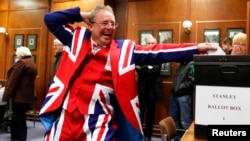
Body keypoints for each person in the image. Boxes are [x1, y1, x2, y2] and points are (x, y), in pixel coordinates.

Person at [39, 5, 217, 141]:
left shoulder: (123, 50)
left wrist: (196, 48)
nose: (110, 27)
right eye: (104, 23)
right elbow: (50, 19)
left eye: (113, 23)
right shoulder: (75, 39)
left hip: (99, 120)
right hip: (67, 115)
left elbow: (158, 52)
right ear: (91, 25)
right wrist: (81, 15)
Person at [3, 46, 37, 141]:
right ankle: (21, 137)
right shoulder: (31, 62)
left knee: (16, 119)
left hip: (18, 97)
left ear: (20, 54)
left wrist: (6, 95)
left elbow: (12, 81)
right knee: (21, 118)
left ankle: (17, 138)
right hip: (26, 96)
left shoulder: (21, 63)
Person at [136, 35, 163, 141]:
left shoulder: (159, 56)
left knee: (151, 115)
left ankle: (148, 135)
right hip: (142, 88)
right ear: (145, 44)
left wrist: (144, 68)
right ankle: (139, 134)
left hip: (153, 90)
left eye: (153, 43)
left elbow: (156, 70)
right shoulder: (141, 55)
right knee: (140, 113)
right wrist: (148, 67)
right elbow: (138, 69)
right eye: (149, 43)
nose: (151, 45)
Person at [169, 61, 195, 141]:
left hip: (183, 96)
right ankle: (177, 139)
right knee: (173, 120)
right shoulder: (180, 65)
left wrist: (179, 88)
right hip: (174, 96)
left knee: (185, 122)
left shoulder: (191, 65)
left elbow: (192, 82)